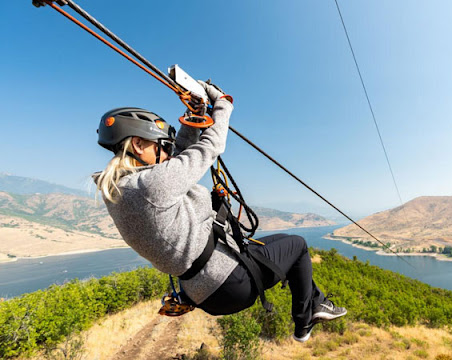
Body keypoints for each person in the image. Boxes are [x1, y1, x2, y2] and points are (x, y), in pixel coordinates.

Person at [94, 80, 346, 342]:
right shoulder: (151, 185)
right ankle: (304, 322)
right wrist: (223, 105)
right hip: (229, 283)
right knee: (298, 246)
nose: (168, 153)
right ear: (137, 145)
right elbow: (208, 148)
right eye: (162, 146)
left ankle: (316, 304)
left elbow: (179, 157)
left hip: (203, 291)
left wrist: (195, 118)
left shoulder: (119, 190)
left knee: (283, 246)